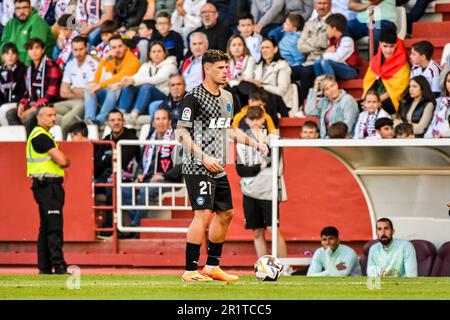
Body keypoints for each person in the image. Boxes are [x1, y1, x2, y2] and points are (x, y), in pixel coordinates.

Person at [176, 49, 269, 282]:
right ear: (207, 69)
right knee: (203, 214)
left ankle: (212, 267)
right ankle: (190, 270)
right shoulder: (193, 96)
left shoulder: (229, 97)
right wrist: (202, 156)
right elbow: (181, 133)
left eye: (227, 67)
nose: (226, 72)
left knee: (226, 213)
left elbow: (229, 129)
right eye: (220, 68)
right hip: (197, 164)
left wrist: (255, 143)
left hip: (217, 165)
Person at [235, 106, 289, 269]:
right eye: (252, 119)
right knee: (257, 231)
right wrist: (260, 166)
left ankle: (286, 267)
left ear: (263, 119)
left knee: (273, 230)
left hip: (269, 190)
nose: (256, 123)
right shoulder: (242, 142)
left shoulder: (273, 139)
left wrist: (257, 166)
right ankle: (264, 267)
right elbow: (241, 170)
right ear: (247, 121)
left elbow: (273, 162)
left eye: (259, 119)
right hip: (250, 190)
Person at [26, 104, 70, 275]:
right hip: (48, 186)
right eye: (49, 115)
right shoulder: (41, 136)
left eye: (54, 115)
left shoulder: (38, 135)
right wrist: (66, 160)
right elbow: (62, 161)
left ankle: (44, 267)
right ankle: (58, 265)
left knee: (46, 227)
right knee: (54, 227)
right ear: (39, 117)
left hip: (43, 186)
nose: (53, 118)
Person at [122, 108, 182, 229]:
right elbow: (141, 164)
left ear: (170, 122)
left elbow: (182, 166)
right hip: (148, 179)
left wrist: (163, 176)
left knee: (146, 189)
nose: (161, 122)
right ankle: (137, 220)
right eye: (157, 119)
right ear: (153, 123)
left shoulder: (177, 139)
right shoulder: (150, 139)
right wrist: (138, 177)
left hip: (169, 180)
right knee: (123, 191)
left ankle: (135, 227)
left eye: (164, 118)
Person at [94, 109, 140, 234]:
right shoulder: (105, 140)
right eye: (113, 120)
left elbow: (122, 162)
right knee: (88, 188)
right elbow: (96, 166)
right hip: (105, 178)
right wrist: (108, 161)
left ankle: (111, 228)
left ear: (123, 122)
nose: (116, 123)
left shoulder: (131, 139)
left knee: (111, 188)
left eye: (119, 120)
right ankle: (91, 226)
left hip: (125, 179)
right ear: (108, 123)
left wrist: (106, 160)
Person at [5, 38, 62, 134]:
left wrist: (33, 109)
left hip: (49, 105)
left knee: (31, 117)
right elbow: (27, 92)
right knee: (11, 114)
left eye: (37, 48)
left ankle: (31, 144)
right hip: (33, 105)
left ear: (43, 50)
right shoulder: (29, 68)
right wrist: (22, 104)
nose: (34, 52)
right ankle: (20, 142)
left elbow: (51, 94)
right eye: (30, 49)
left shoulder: (51, 66)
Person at [84, 35, 141, 125]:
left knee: (113, 88)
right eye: (114, 47)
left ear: (125, 46)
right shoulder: (111, 59)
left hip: (125, 98)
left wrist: (100, 85)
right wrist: (104, 60)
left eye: (120, 46)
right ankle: (89, 119)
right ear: (110, 49)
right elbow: (97, 80)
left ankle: (99, 120)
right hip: (110, 98)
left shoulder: (133, 61)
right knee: (89, 87)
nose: (117, 50)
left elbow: (119, 78)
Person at [116, 41, 178, 123]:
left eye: (159, 51)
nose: (156, 54)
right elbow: (136, 77)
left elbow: (156, 79)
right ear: (150, 54)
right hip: (145, 97)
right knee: (129, 87)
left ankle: (134, 114)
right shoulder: (146, 66)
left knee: (147, 87)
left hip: (163, 96)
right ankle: (121, 113)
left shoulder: (171, 66)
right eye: (154, 51)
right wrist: (126, 81)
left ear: (164, 53)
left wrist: (134, 81)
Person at [235, 37, 292, 117]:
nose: (264, 50)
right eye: (262, 48)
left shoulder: (282, 66)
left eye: (267, 47)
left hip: (277, 101)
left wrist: (261, 86)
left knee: (248, 88)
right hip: (259, 97)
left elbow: (281, 91)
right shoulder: (258, 66)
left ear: (275, 49)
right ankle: (237, 117)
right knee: (239, 87)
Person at [54, 36, 98, 139]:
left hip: (85, 102)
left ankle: (63, 143)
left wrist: (72, 90)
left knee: (66, 120)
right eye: (75, 50)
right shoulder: (70, 64)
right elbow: (62, 93)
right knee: (46, 111)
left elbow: (90, 92)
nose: (78, 53)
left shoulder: (93, 64)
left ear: (86, 47)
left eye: (81, 49)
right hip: (70, 101)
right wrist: (76, 91)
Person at [362, 28, 410, 115]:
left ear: (396, 45)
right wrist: (368, 100)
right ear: (380, 44)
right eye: (385, 46)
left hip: (391, 99)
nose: (388, 50)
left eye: (391, 46)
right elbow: (369, 82)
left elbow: (396, 91)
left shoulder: (403, 64)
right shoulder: (376, 60)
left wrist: (375, 101)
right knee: (359, 105)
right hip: (375, 97)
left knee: (373, 108)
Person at [293, 0, 332, 105]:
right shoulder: (309, 23)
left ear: (330, 4)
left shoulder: (334, 21)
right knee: (289, 72)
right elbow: (300, 46)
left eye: (325, 3)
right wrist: (317, 45)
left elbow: (326, 44)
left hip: (323, 60)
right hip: (308, 61)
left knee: (306, 72)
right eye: (319, 3)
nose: (322, 6)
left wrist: (309, 42)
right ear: (315, 5)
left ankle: (304, 105)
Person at [0, 0, 56, 65]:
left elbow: (34, 52)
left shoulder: (36, 20)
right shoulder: (10, 24)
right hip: (12, 67)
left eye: (25, 7)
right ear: (14, 10)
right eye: (18, 8)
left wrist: (24, 72)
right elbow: (2, 46)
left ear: (30, 8)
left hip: (34, 69)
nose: (22, 11)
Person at [313, 13, 361, 81]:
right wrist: (326, 54)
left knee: (325, 62)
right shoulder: (332, 40)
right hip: (337, 67)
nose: (326, 31)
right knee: (317, 62)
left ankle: (331, 84)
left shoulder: (347, 40)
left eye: (327, 28)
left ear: (334, 28)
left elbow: (337, 58)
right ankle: (322, 86)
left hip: (350, 70)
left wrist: (324, 55)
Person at [0, 43, 26, 126]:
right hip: (4, 103)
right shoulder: (1, 70)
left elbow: (24, 91)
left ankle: (9, 136)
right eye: (7, 53)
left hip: (18, 103)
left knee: (3, 109)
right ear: (3, 57)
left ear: (17, 56)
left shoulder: (23, 69)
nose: (10, 56)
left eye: (13, 53)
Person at [425, 71, 450, 138]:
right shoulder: (439, 101)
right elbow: (433, 122)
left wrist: (446, 136)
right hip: (435, 140)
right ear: (445, 84)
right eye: (449, 81)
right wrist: (427, 137)